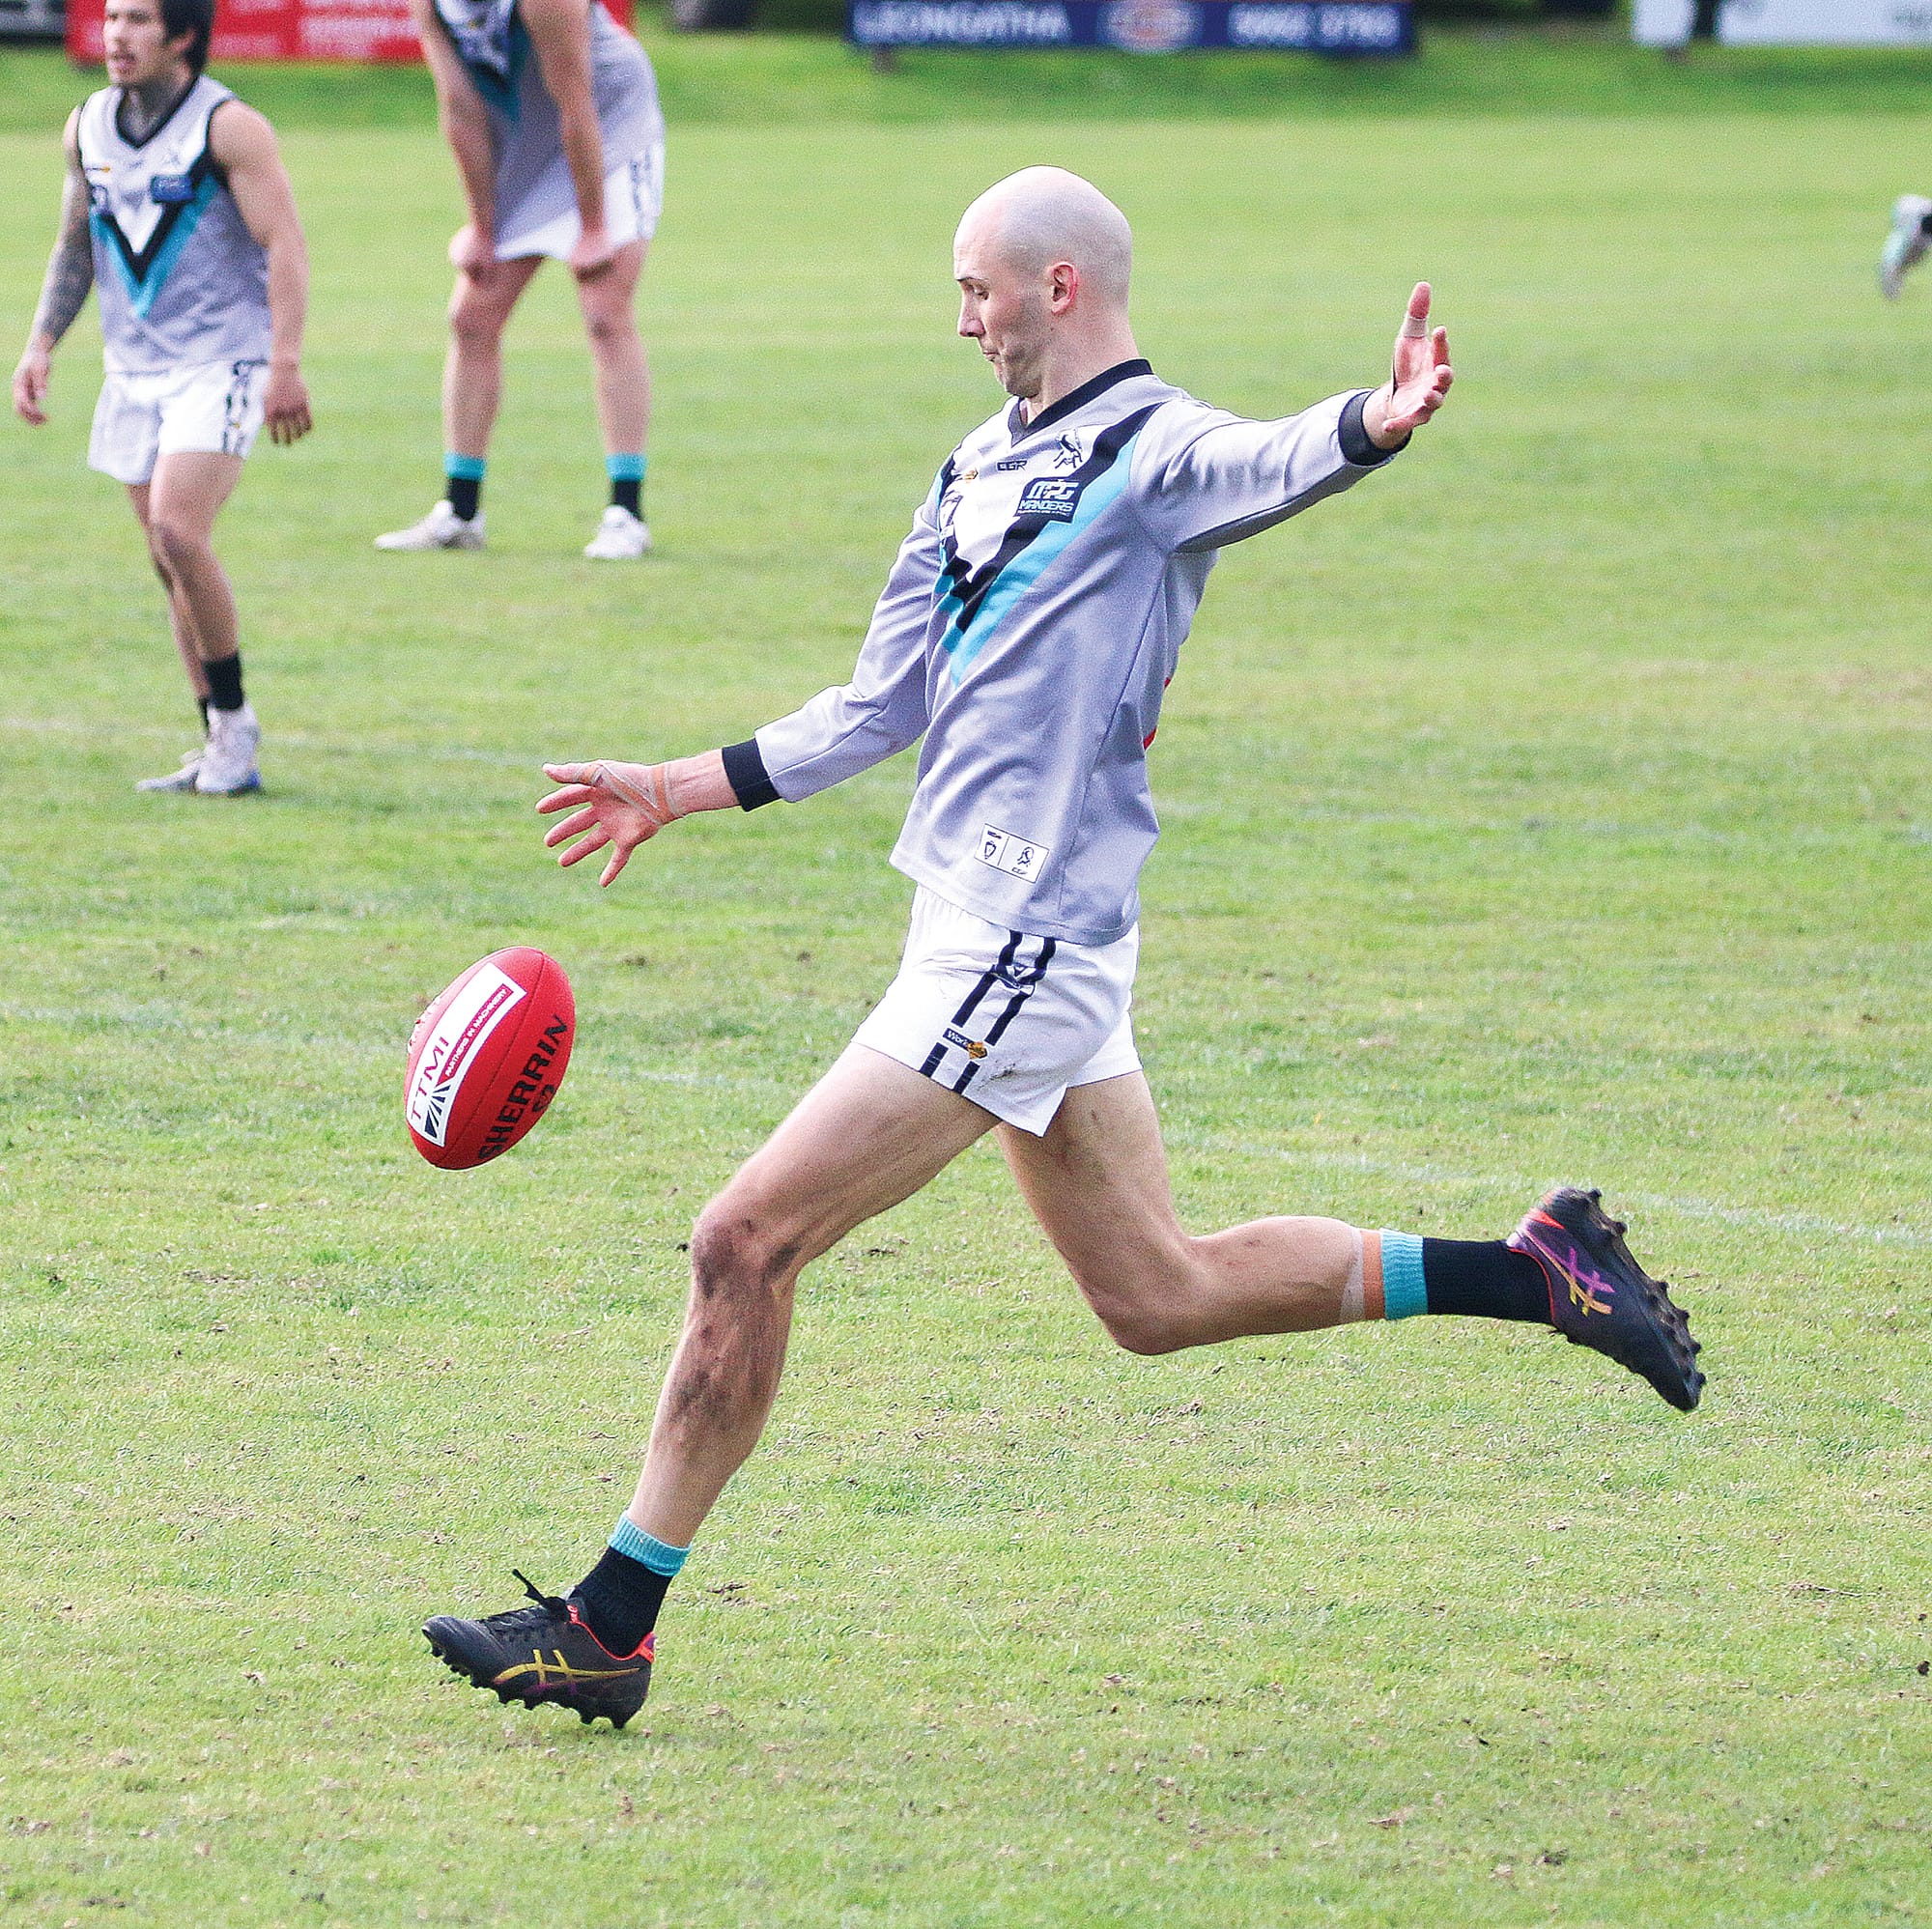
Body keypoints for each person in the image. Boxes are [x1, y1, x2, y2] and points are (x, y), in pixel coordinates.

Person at [423, 167, 1704, 1730]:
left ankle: (610, 1621)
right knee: (1156, 1292)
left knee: (741, 1239)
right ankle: (1534, 1270)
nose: (962, 318)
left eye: (979, 289)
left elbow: (1271, 460)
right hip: (971, 927)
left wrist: (1372, 420)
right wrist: (678, 787)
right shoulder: (972, 466)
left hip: (1025, 934)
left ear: (1061, 290)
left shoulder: (1156, 451)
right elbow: (878, 703)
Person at [12, 0, 312, 797]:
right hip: (134, 368)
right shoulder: (86, 127)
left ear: (182, 36)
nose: (117, 34)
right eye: (112, 18)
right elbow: (75, 242)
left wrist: (285, 362)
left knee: (180, 532)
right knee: (163, 555)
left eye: (140, 20)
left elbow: (283, 240)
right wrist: (41, 345)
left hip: (223, 362)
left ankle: (238, 726)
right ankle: (217, 738)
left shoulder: (230, 128)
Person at [374, 0, 665, 561]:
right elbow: (459, 106)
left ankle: (626, 514)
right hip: (529, 134)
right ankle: (460, 513)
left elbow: (575, 98)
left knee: (605, 314)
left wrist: (595, 228)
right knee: (471, 317)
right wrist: (482, 228)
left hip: (610, 127)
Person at [1879, 195, 1932, 299]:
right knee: (1909, 253)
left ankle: (1895, 273)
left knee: (1916, 255)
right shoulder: (1911, 221)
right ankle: (1892, 273)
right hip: (1908, 215)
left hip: (1918, 223)